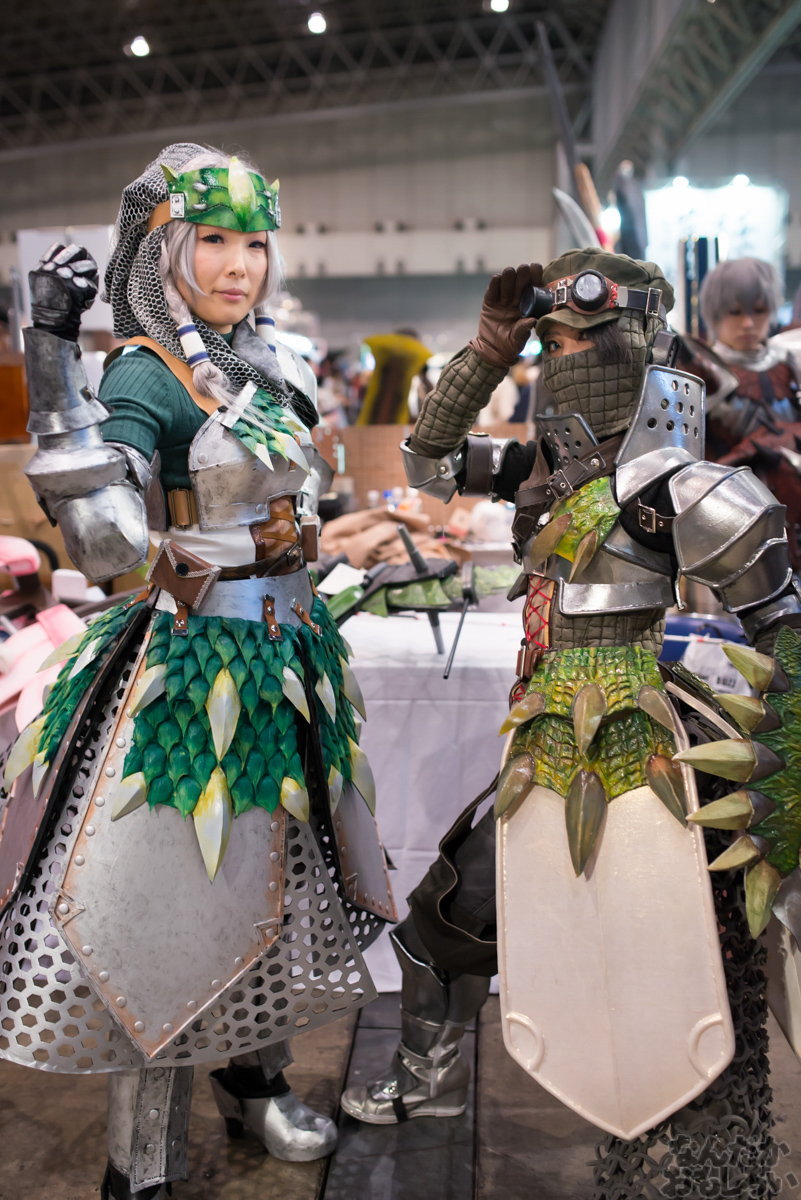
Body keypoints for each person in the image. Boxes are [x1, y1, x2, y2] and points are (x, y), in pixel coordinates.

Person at [342, 249, 801, 1196]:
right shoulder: (540, 473)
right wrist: (485, 353)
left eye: (576, 339)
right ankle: (428, 1077)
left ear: (635, 343)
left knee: (679, 957)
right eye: (545, 342)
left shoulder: (680, 490)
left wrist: (780, 785)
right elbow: (426, 464)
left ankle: (691, 1123)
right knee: (442, 926)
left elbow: (784, 631)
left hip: (649, 746)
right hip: (544, 739)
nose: (559, 358)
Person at [0, 143, 395, 1199]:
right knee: (172, 908)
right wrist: (51, 356)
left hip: (291, 657)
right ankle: (139, 1164)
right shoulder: (145, 370)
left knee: (279, 881)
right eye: (213, 240)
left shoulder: (277, 358)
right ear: (167, 249)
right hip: (191, 672)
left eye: (254, 243)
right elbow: (108, 542)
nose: (237, 265)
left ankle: (254, 1080)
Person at [698, 257, 801, 568]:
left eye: (759, 311)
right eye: (735, 312)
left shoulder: (790, 363)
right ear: (715, 313)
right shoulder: (700, 371)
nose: (748, 323)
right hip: (731, 518)